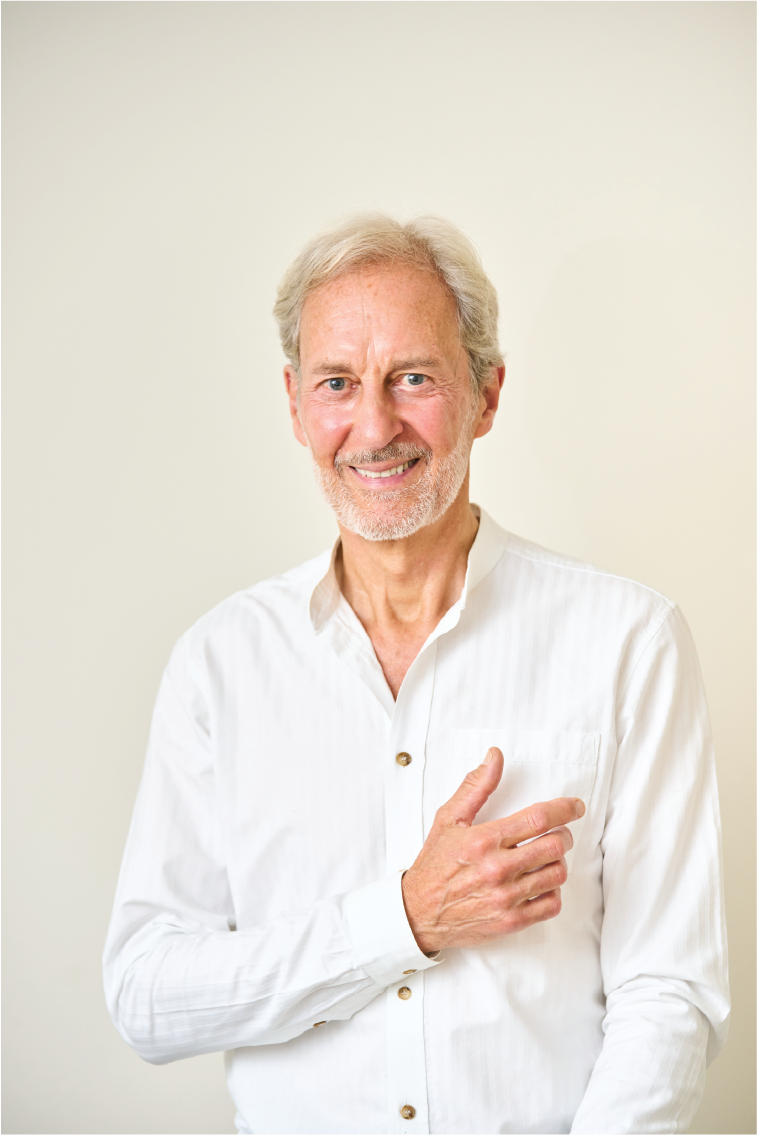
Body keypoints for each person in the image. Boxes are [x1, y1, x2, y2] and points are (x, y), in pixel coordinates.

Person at [103, 214, 729, 1134]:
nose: (374, 426)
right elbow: (147, 995)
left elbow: (667, 988)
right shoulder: (219, 663)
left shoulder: (628, 639)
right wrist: (402, 920)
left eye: (413, 378)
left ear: (486, 394)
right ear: (294, 404)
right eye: (336, 382)